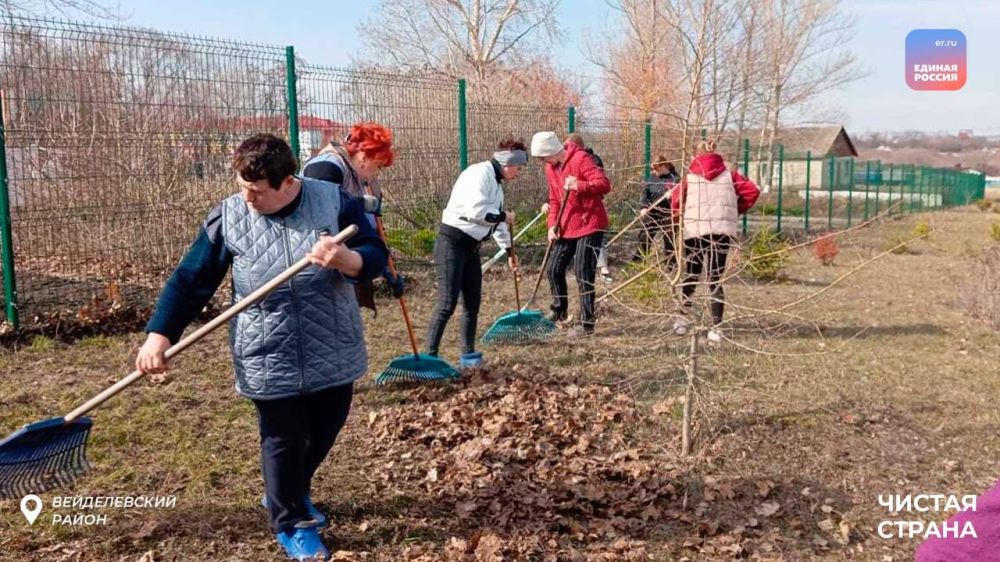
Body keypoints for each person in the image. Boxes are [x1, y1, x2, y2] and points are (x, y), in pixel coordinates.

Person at [134, 134, 389, 561]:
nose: (247, 198)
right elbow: (190, 279)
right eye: (241, 187)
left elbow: (374, 252)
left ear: (288, 183)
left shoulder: (333, 202)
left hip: (332, 342)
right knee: (284, 438)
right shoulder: (229, 217)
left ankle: (285, 491)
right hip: (267, 350)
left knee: (326, 426)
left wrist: (348, 260)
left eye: (257, 191)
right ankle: (290, 521)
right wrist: (159, 335)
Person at [424, 138, 524, 368]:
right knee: (447, 302)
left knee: (472, 302)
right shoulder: (479, 174)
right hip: (452, 243)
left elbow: (496, 225)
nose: (518, 174)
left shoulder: (497, 186)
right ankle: (430, 357)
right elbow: (476, 211)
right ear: (507, 163)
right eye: (518, 168)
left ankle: (468, 355)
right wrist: (503, 216)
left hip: (471, 248)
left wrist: (510, 252)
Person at [301, 123, 403, 312]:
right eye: (378, 166)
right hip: (316, 264)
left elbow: (372, 228)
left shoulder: (367, 182)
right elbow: (321, 219)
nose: (377, 173)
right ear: (364, 158)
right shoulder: (326, 167)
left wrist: (386, 266)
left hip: (346, 261)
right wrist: (358, 205)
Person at [671, 140, 759, 344]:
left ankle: (682, 320)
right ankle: (716, 327)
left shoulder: (690, 177)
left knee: (691, 273)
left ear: (696, 156)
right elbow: (752, 191)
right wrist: (735, 210)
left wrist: (677, 217)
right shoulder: (730, 175)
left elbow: (676, 202)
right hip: (721, 231)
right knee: (715, 278)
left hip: (695, 230)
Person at [531, 130, 611, 336]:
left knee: (583, 271)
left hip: (590, 222)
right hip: (566, 225)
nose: (542, 161)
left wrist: (579, 185)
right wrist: (551, 225)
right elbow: (555, 199)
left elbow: (604, 184)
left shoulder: (581, 159)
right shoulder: (551, 168)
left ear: (552, 150)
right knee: (554, 268)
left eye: (542, 156)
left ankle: (587, 323)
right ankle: (559, 310)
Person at [565, 133, 614, 283]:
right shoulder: (565, 162)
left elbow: (601, 183)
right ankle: (580, 266)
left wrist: (578, 184)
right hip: (576, 209)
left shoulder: (592, 160)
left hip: (592, 207)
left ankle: (603, 268)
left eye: (568, 147)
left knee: (597, 239)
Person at [633, 156, 680, 265]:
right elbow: (645, 193)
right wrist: (643, 207)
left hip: (668, 213)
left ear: (664, 166)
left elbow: (681, 195)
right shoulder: (652, 178)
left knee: (669, 240)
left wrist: (673, 195)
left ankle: (671, 265)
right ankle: (639, 261)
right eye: (652, 169)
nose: (654, 172)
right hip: (652, 212)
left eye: (656, 169)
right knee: (644, 236)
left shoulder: (675, 178)